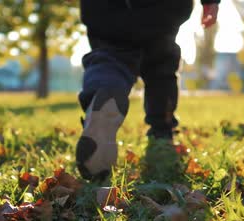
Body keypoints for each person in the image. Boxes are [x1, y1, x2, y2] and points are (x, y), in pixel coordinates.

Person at [76, 0, 220, 180]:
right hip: (162, 12)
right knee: (161, 72)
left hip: (107, 12)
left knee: (109, 60)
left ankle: (103, 91)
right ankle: (161, 134)